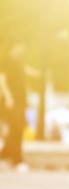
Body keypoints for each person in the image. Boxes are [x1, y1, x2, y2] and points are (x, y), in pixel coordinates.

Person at [0, 42, 28, 171]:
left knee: (19, 127)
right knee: (16, 128)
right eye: (19, 47)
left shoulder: (19, 62)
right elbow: (2, 79)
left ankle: (5, 153)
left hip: (21, 101)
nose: (21, 49)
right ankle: (17, 160)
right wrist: (8, 97)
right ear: (13, 48)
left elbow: (25, 72)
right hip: (12, 101)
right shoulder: (7, 61)